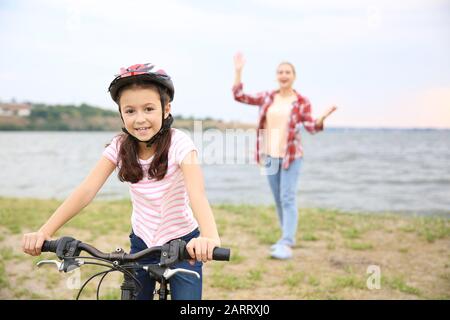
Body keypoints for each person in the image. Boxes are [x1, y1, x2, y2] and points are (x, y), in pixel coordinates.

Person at [22, 63, 221, 300]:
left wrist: (209, 236)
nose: (140, 119)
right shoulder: (119, 146)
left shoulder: (180, 144)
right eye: (130, 111)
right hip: (142, 242)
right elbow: (86, 190)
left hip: (182, 242)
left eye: (148, 109)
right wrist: (45, 232)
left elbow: (197, 194)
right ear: (121, 114)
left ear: (165, 109)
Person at [232, 52, 337, 260]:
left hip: (291, 156)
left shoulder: (301, 101)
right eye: (280, 72)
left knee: (288, 198)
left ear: (294, 76)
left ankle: (287, 242)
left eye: (287, 72)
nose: (283, 75)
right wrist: (238, 71)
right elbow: (240, 96)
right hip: (269, 157)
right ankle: (284, 237)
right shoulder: (268, 97)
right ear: (276, 76)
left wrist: (322, 118)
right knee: (279, 199)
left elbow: (310, 126)